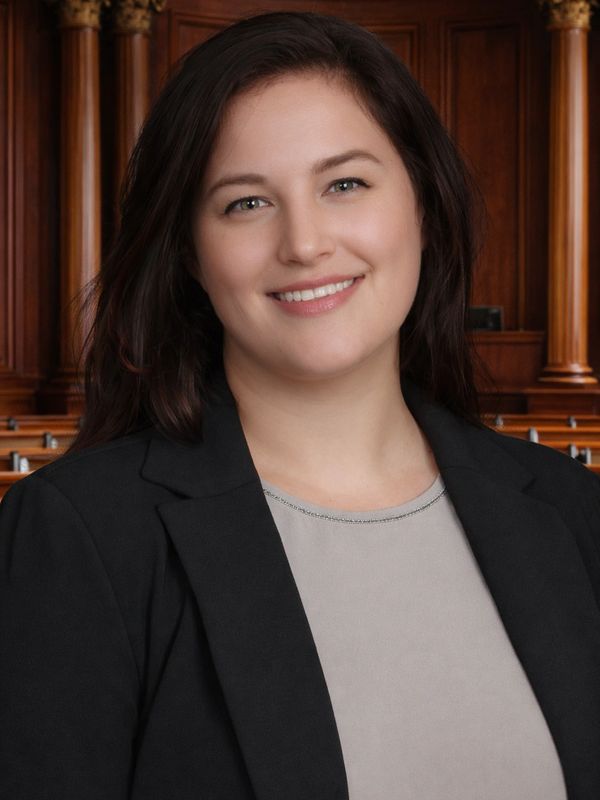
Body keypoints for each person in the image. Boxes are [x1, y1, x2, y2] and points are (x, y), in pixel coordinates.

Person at [1, 10, 599, 800]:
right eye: (246, 203)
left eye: (344, 184)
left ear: (423, 204)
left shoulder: (573, 513)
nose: (305, 243)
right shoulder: (80, 537)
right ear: (190, 254)